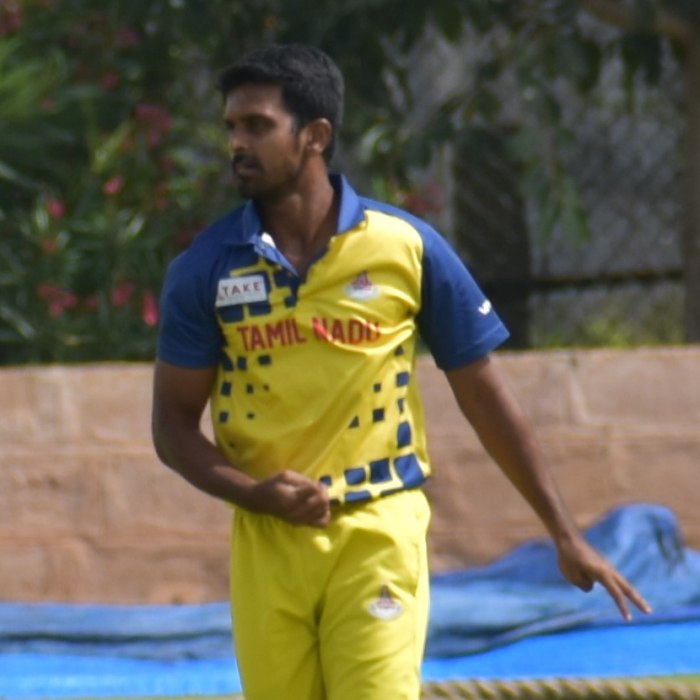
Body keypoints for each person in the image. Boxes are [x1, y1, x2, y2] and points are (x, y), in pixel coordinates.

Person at [151, 44, 651, 700]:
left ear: (315, 136)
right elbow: (172, 427)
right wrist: (256, 494)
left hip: (379, 530)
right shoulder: (206, 267)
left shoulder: (406, 247)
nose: (236, 143)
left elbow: (484, 394)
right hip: (266, 541)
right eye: (231, 127)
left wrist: (564, 533)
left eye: (257, 125)